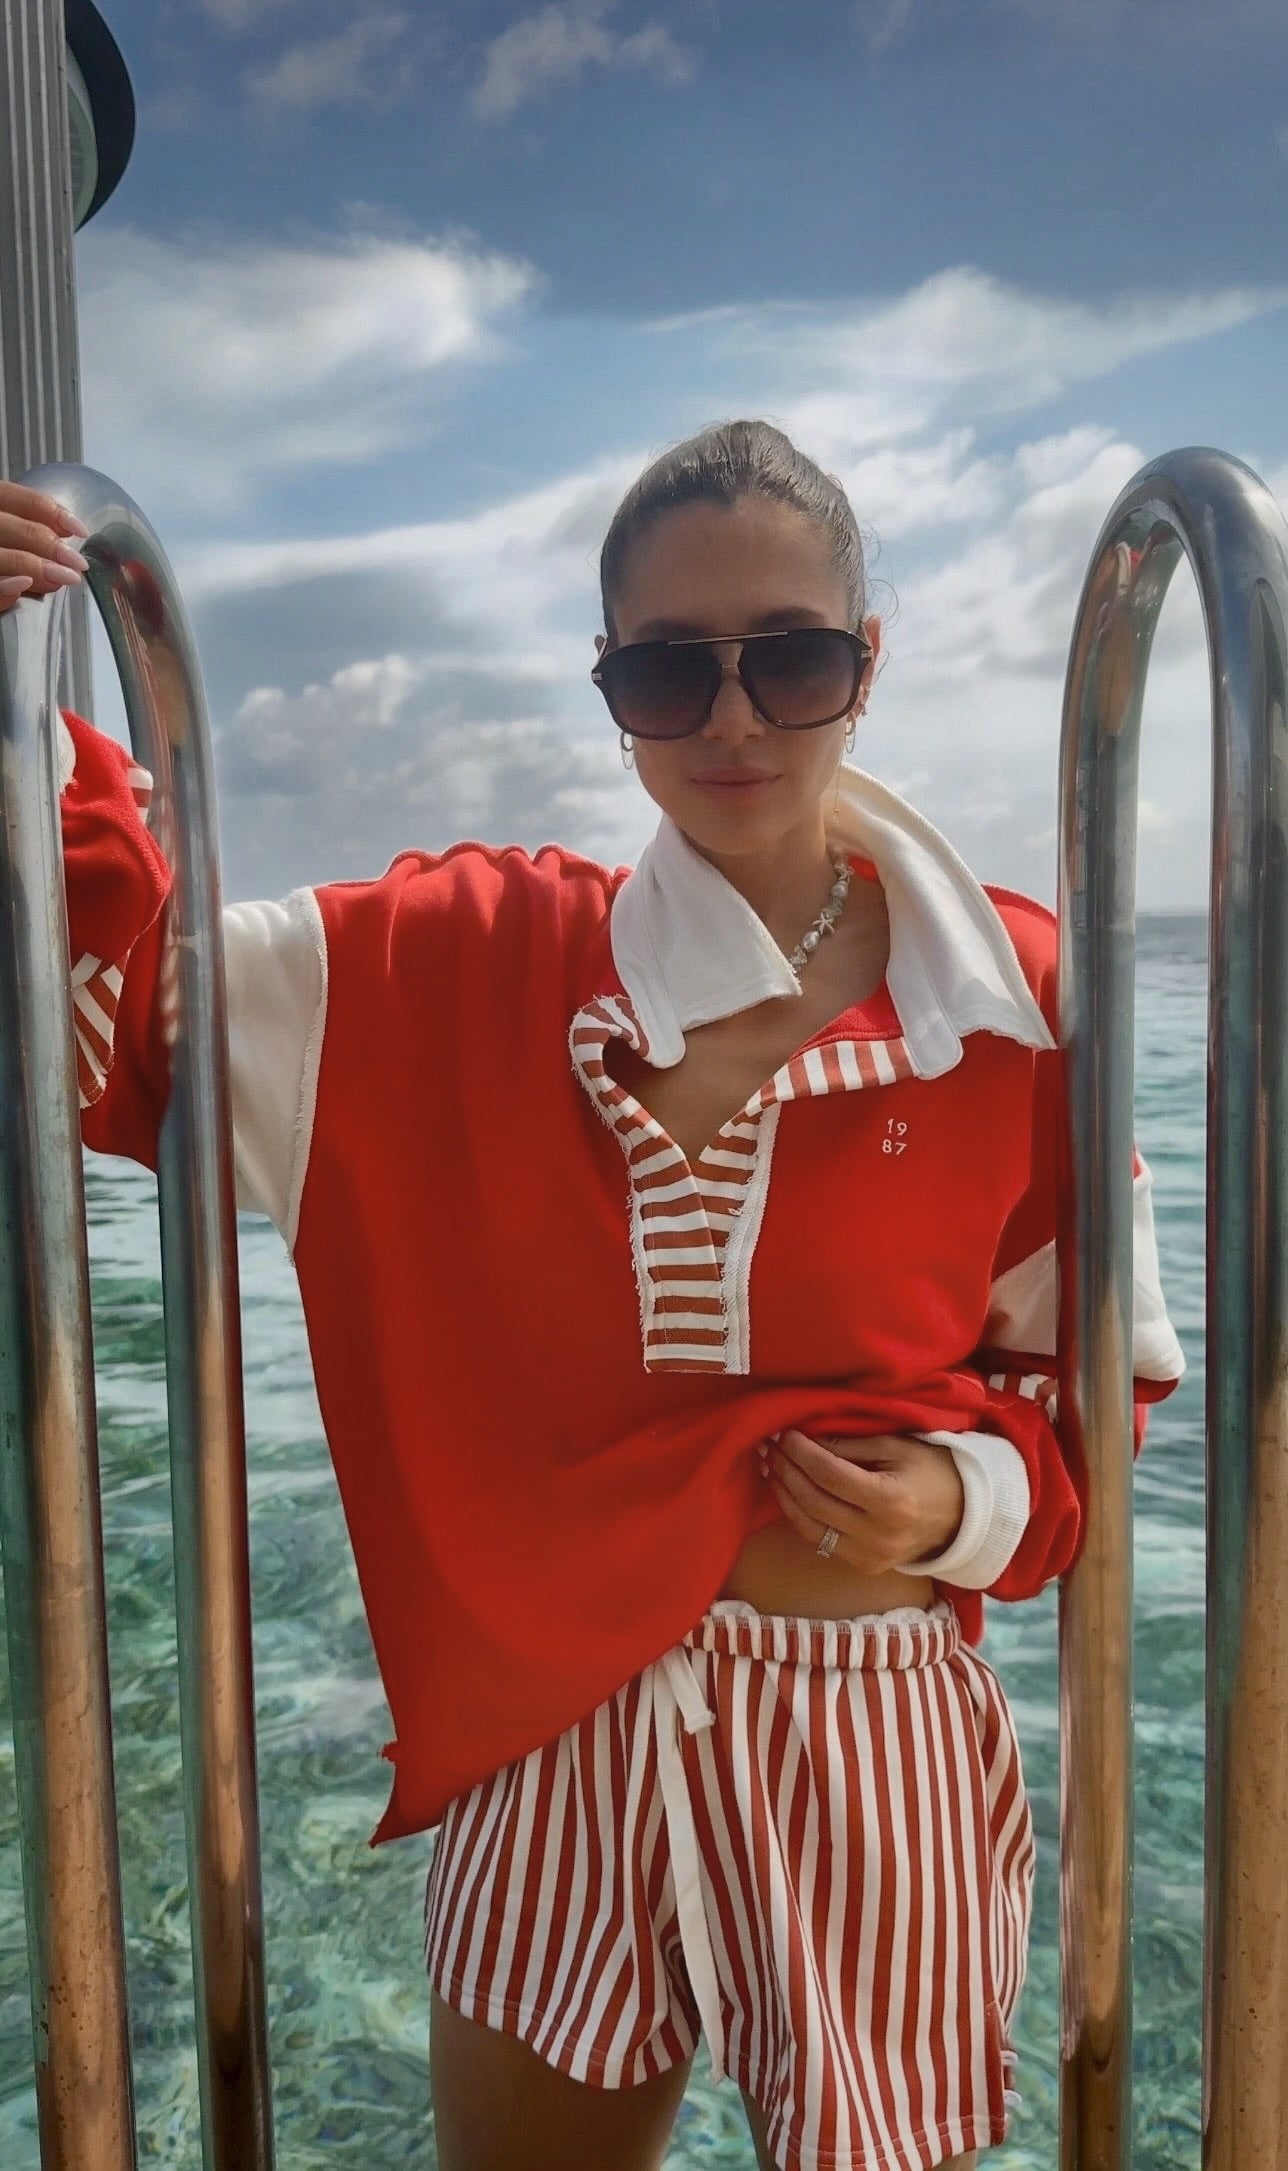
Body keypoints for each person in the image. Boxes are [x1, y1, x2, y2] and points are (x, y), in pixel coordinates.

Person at [0, 422, 1184, 2171]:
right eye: (667, 671)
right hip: (549, 1733)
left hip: (868, 1732)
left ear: (867, 665)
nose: (732, 720)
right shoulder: (466, 958)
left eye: (793, 660)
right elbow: (133, 1017)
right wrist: (24, 713)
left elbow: (1093, 1396)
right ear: (608, 684)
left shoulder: (1010, 1002)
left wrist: (963, 1499)